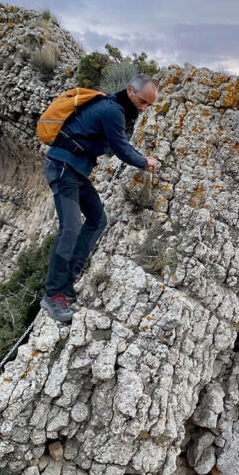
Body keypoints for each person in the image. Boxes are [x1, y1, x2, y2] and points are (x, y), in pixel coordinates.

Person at [40, 73, 161, 323]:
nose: (144, 108)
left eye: (148, 104)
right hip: (63, 168)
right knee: (70, 228)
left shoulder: (115, 110)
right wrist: (145, 161)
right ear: (129, 90)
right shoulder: (112, 110)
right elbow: (121, 149)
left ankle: (67, 282)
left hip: (74, 171)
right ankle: (53, 295)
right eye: (142, 101)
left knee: (97, 219)